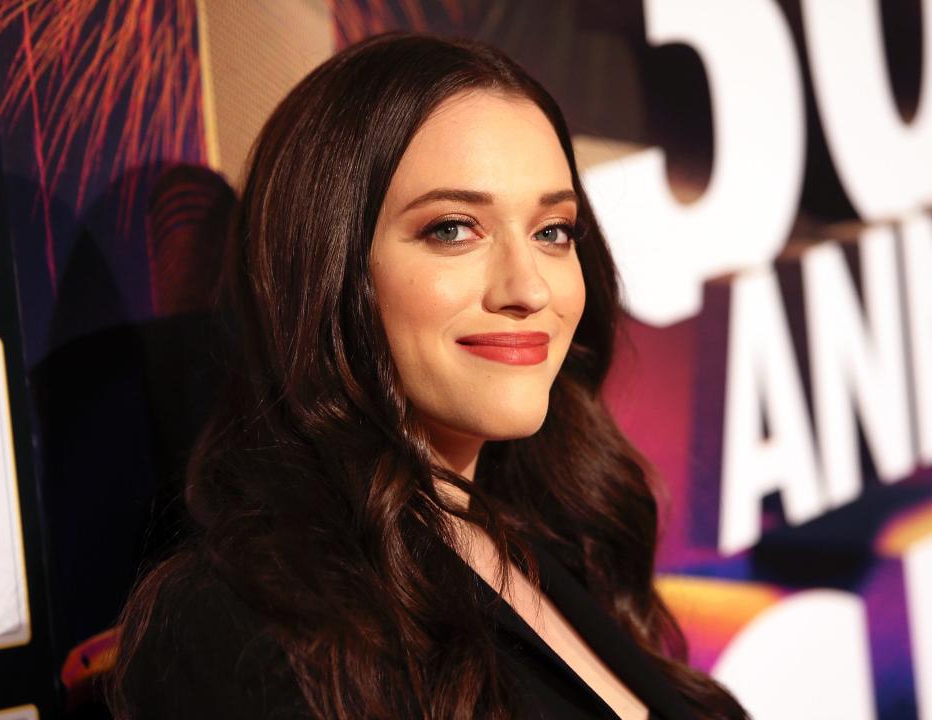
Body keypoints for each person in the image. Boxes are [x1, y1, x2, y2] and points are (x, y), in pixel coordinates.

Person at [106, 32, 748, 720]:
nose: (528, 287)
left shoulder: (555, 540)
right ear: (329, 267)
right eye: (452, 228)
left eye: (553, 230)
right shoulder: (234, 624)